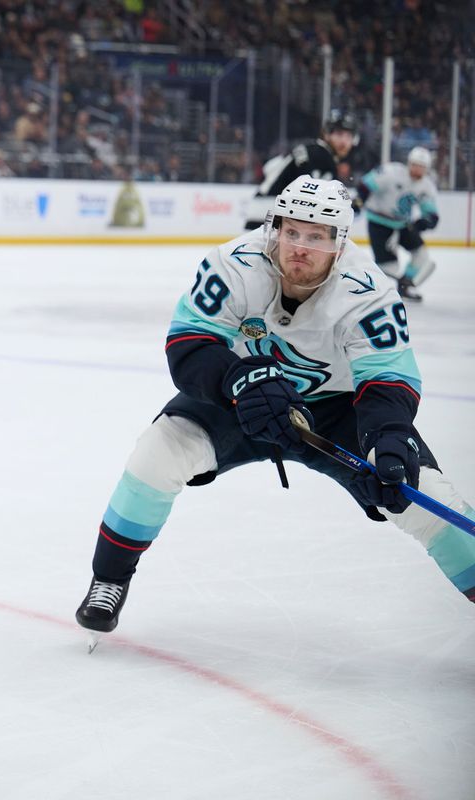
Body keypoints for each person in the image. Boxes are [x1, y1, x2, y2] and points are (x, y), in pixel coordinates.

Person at [75, 175, 475, 649]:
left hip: (337, 410)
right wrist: (238, 380)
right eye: (292, 231)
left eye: (317, 236)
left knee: (422, 497)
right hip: (239, 398)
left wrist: (387, 439)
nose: (300, 246)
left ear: (339, 244)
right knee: (156, 457)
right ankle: (110, 579)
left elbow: (385, 381)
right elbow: (188, 344)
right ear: (275, 229)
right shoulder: (233, 264)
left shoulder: (369, 293)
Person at [243, 110, 358, 230]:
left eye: (348, 136)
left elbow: (269, 168)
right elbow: (314, 200)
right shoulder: (321, 157)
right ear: (327, 134)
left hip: (262, 211)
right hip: (271, 217)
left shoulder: (312, 149)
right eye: (339, 134)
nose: (344, 142)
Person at [356, 146, 439, 302]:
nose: (417, 169)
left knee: (421, 255)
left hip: (402, 225)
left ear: (427, 169)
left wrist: (425, 222)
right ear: (408, 163)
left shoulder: (426, 186)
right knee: (389, 266)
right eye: (414, 164)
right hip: (379, 223)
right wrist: (360, 200)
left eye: (421, 167)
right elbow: (366, 184)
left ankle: (405, 285)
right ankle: (376, 289)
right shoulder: (392, 172)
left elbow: (431, 214)